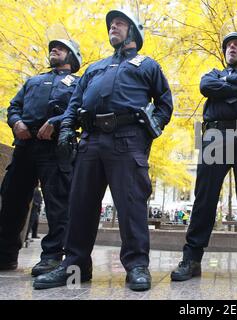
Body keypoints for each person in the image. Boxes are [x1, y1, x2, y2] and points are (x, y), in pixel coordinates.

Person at [33, 8, 173, 291]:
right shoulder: (95, 67)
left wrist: (148, 131)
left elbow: (165, 104)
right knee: (80, 206)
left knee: (131, 205)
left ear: (133, 32)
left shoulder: (148, 65)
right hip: (90, 141)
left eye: (120, 24)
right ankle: (75, 270)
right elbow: (74, 103)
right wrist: (66, 131)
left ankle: (136, 267)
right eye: (111, 24)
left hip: (127, 139)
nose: (113, 27)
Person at [170, 31, 237, 283]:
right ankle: (192, 258)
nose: (231, 48)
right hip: (215, 135)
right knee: (204, 198)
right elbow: (206, 87)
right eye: (228, 46)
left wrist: (228, 89)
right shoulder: (213, 74)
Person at [0, 37, 81, 275]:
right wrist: (16, 123)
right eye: (52, 48)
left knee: (58, 206)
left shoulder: (78, 83)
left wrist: (57, 122)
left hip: (55, 150)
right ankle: (5, 255)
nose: (53, 50)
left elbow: (79, 109)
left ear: (72, 56)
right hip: (25, 148)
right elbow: (13, 107)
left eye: (61, 48)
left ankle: (52, 257)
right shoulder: (33, 81)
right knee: (11, 202)